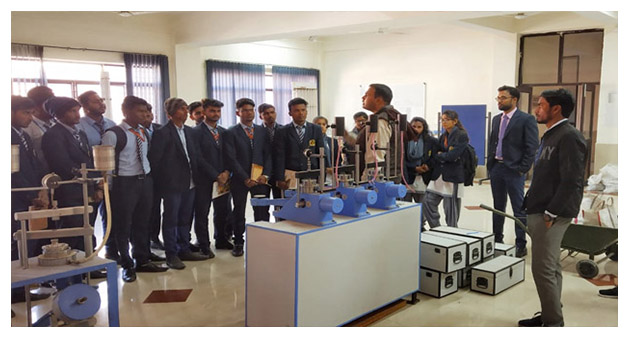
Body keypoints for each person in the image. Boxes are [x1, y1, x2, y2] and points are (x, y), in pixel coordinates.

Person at [518, 88, 586, 327]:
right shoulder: (550, 135)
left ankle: (553, 323)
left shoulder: (569, 136)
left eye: (541, 104)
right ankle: (551, 314)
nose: (536, 109)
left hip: (551, 213)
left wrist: (552, 212)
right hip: (541, 208)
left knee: (543, 269)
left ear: (556, 109)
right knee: (552, 266)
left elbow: (573, 180)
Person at [101, 96, 168, 282]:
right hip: (124, 183)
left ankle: (142, 258)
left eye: (146, 111)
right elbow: (105, 164)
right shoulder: (113, 134)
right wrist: (107, 188)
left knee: (143, 222)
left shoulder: (143, 132)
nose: (144, 115)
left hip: (145, 180)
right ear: (126, 112)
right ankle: (126, 263)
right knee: (123, 225)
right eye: (139, 111)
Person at [149, 98, 209, 270]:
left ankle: (184, 248)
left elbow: (195, 156)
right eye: (182, 108)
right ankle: (171, 254)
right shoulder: (162, 132)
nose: (185, 111)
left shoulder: (189, 132)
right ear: (173, 113)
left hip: (190, 182)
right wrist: (163, 183)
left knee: (185, 218)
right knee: (171, 219)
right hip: (171, 185)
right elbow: (156, 161)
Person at [41, 96, 102, 252]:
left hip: (85, 189)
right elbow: (62, 164)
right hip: (69, 191)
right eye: (72, 111)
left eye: (78, 111)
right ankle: (72, 267)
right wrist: (87, 178)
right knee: (72, 230)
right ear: (59, 114)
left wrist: (95, 184)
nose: (77, 115)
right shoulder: (54, 135)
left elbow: (87, 160)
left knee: (87, 228)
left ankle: (88, 261)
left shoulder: (79, 133)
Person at [487, 85, 538, 258]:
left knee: (518, 208)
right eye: (498, 98)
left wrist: (522, 168)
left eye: (503, 98)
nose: (499, 101)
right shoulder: (496, 119)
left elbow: (532, 147)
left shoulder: (526, 119)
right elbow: (493, 142)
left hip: (514, 170)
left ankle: (520, 244)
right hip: (497, 168)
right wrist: (491, 164)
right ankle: (497, 240)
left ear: (514, 99)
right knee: (498, 207)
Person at [223, 98, 272, 257]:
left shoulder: (262, 131)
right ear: (238, 112)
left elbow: (268, 155)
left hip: (260, 179)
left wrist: (265, 175)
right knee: (239, 211)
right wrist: (244, 177)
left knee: (262, 210)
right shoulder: (231, 132)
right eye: (244, 110)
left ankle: (262, 239)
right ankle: (238, 242)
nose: (248, 113)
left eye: (251, 110)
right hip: (240, 179)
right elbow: (231, 158)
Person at [77, 90, 118, 261]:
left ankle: (112, 251)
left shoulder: (111, 123)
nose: (101, 103)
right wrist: (96, 182)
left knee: (112, 217)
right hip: (92, 180)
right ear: (85, 106)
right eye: (96, 101)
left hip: (112, 177)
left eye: (102, 100)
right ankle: (90, 255)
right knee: (90, 220)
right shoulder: (79, 126)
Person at [192, 99, 234, 255]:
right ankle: (204, 244)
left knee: (222, 211)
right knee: (202, 213)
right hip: (204, 179)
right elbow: (198, 157)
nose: (215, 114)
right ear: (204, 112)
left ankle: (221, 239)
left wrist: (227, 172)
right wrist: (215, 174)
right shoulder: (195, 132)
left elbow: (230, 155)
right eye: (212, 111)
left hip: (223, 179)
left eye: (218, 111)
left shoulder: (224, 132)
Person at [423, 110, 469, 228]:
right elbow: (436, 154)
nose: (444, 122)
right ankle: (436, 228)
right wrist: (443, 155)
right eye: (442, 120)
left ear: (455, 121)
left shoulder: (461, 135)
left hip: (452, 175)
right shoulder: (443, 136)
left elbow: (453, 155)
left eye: (447, 120)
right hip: (439, 175)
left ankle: (452, 232)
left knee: (451, 210)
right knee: (428, 202)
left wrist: (441, 155)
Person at [357, 84, 409, 181]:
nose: (363, 97)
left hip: (381, 180)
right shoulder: (389, 117)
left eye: (367, 95)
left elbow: (376, 157)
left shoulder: (381, 121)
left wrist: (366, 182)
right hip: (388, 177)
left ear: (379, 100)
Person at [274, 97, 325, 191]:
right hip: (291, 175)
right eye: (297, 110)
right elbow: (280, 157)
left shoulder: (316, 129)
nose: (301, 113)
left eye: (303, 110)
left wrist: (322, 175)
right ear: (290, 113)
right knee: (293, 203)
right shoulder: (282, 131)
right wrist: (280, 178)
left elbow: (321, 152)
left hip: (312, 174)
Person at [142, 105, 165, 251]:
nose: (147, 115)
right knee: (145, 211)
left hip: (160, 176)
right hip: (143, 176)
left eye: (149, 112)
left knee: (156, 209)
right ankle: (143, 244)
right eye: (143, 112)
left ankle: (154, 238)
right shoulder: (135, 131)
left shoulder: (160, 129)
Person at [403, 117, 438, 205]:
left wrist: (427, 166)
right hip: (407, 177)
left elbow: (435, 157)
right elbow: (401, 159)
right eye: (414, 126)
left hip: (423, 177)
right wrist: (414, 168)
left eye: (419, 127)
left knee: (423, 206)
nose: (416, 129)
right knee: (405, 205)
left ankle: (421, 219)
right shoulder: (403, 140)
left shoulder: (431, 141)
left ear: (424, 128)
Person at [23, 86, 55, 172]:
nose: (54, 107)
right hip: (40, 175)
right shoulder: (27, 128)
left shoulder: (55, 124)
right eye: (50, 104)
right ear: (36, 107)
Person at [259, 103, 283, 205]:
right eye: (266, 113)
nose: (270, 115)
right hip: (261, 173)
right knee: (262, 206)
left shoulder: (284, 130)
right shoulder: (256, 131)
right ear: (261, 116)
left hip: (280, 173)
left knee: (281, 204)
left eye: (272, 112)